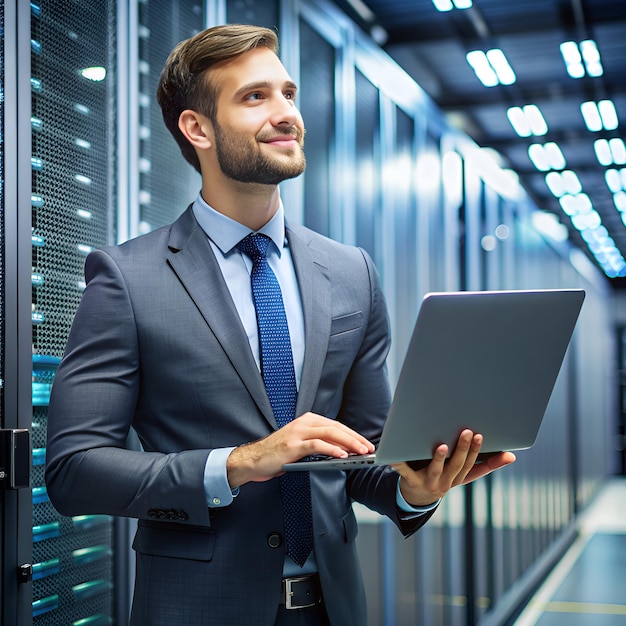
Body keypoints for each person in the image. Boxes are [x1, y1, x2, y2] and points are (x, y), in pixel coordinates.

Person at [45, 24, 515, 626]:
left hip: (332, 609)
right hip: (198, 611)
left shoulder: (351, 273)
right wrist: (238, 463)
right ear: (197, 129)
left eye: (288, 93)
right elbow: (74, 470)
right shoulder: (128, 279)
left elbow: (366, 453)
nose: (286, 113)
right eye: (255, 97)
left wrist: (412, 491)